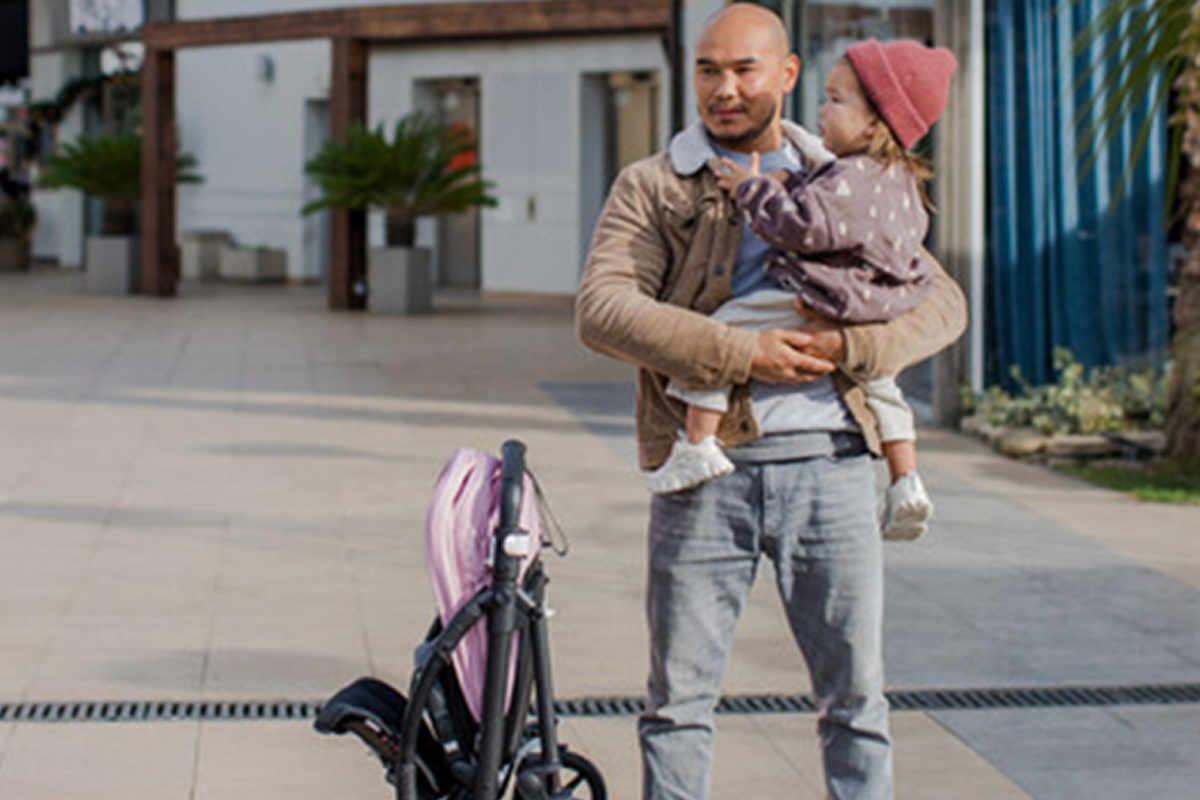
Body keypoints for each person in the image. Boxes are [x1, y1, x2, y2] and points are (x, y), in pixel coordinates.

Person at [575, 5, 967, 800]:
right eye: (708, 70)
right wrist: (739, 350)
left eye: (744, 70)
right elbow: (602, 309)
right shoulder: (654, 185)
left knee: (856, 702)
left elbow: (944, 301)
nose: (724, 89)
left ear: (786, 75)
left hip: (832, 469)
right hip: (702, 479)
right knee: (677, 704)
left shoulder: (849, 171)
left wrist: (849, 348)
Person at [646, 38, 957, 544]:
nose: (821, 109)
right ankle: (905, 480)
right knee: (884, 387)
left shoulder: (850, 178)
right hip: (874, 306)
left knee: (721, 330)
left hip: (821, 300)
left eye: (836, 100)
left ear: (878, 122)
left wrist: (752, 190)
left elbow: (801, 227)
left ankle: (698, 443)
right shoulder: (901, 181)